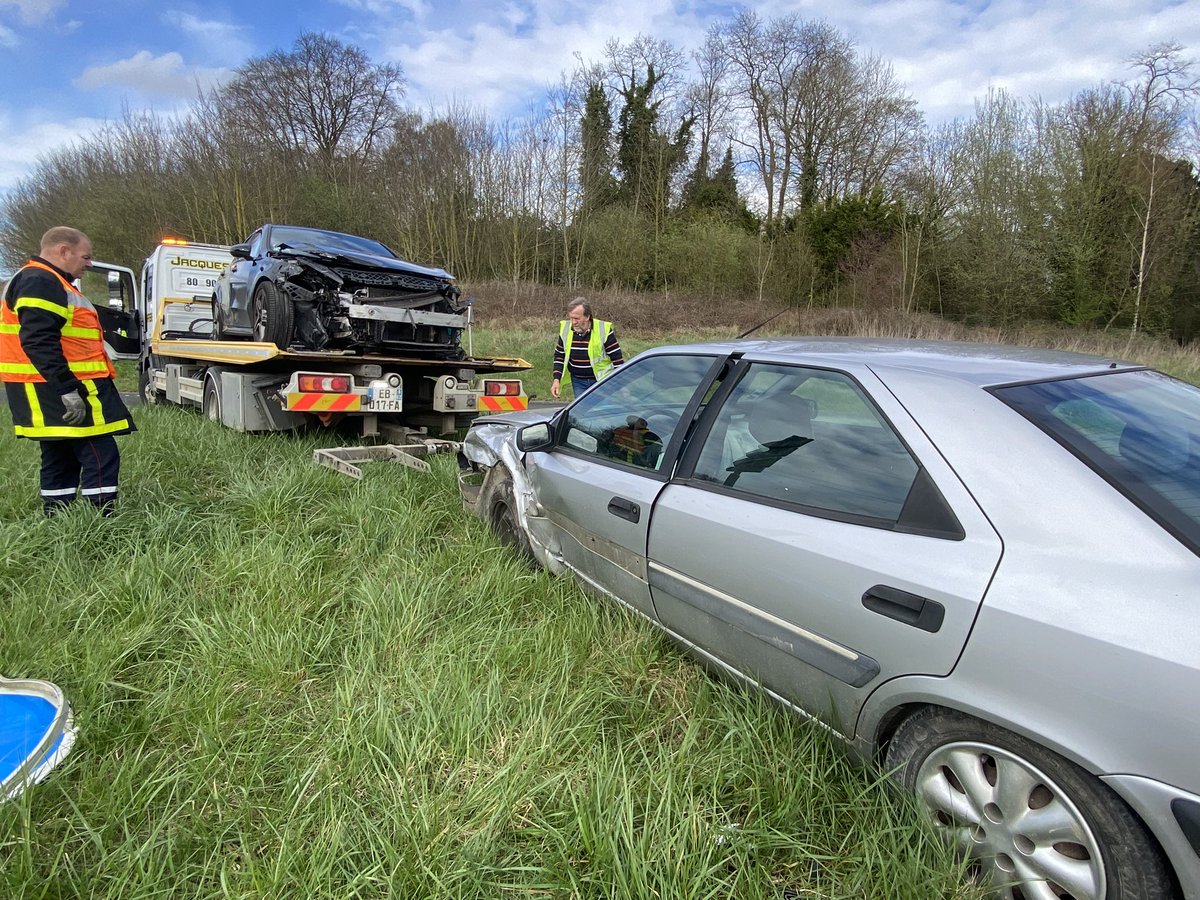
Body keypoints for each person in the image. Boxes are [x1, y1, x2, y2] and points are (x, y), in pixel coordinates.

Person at [0, 227, 136, 516]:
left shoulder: (46, 281)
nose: (89, 263)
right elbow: (38, 340)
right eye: (85, 256)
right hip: (61, 387)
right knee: (100, 451)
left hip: (48, 385)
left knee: (59, 453)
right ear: (63, 251)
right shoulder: (40, 281)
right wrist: (66, 388)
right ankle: (101, 517)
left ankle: (57, 514)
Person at [550, 298, 624, 399]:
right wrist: (556, 380)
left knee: (601, 412)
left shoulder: (603, 329)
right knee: (583, 413)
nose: (573, 322)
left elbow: (617, 359)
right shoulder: (566, 329)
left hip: (601, 381)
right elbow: (559, 356)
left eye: (577, 318)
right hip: (578, 381)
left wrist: (621, 383)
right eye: (571, 318)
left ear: (587, 316)